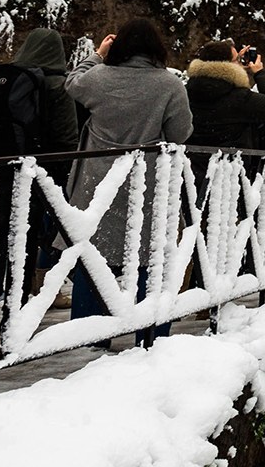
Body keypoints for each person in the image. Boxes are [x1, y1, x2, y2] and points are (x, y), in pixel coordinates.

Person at [64, 19, 192, 336]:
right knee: (150, 255)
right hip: (146, 184)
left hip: (97, 182)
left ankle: (89, 333)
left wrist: (97, 54)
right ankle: (150, 332)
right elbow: (180, 133)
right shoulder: (170, 85)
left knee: (93, 255)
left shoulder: (98, 77)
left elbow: (72, 83)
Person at [0, 28, 81, 328]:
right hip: (29, 176)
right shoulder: (56, 86)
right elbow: (66, 138)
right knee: (22, 243)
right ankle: (14, 313)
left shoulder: (1, 79)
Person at [184, 40, 265, 150]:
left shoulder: (187, 91)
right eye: (237, 60)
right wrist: (260, 73)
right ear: (227, 65)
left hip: (193, 162)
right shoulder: (238, 97)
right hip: (229, 164)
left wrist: (236, 67)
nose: (240, 62)